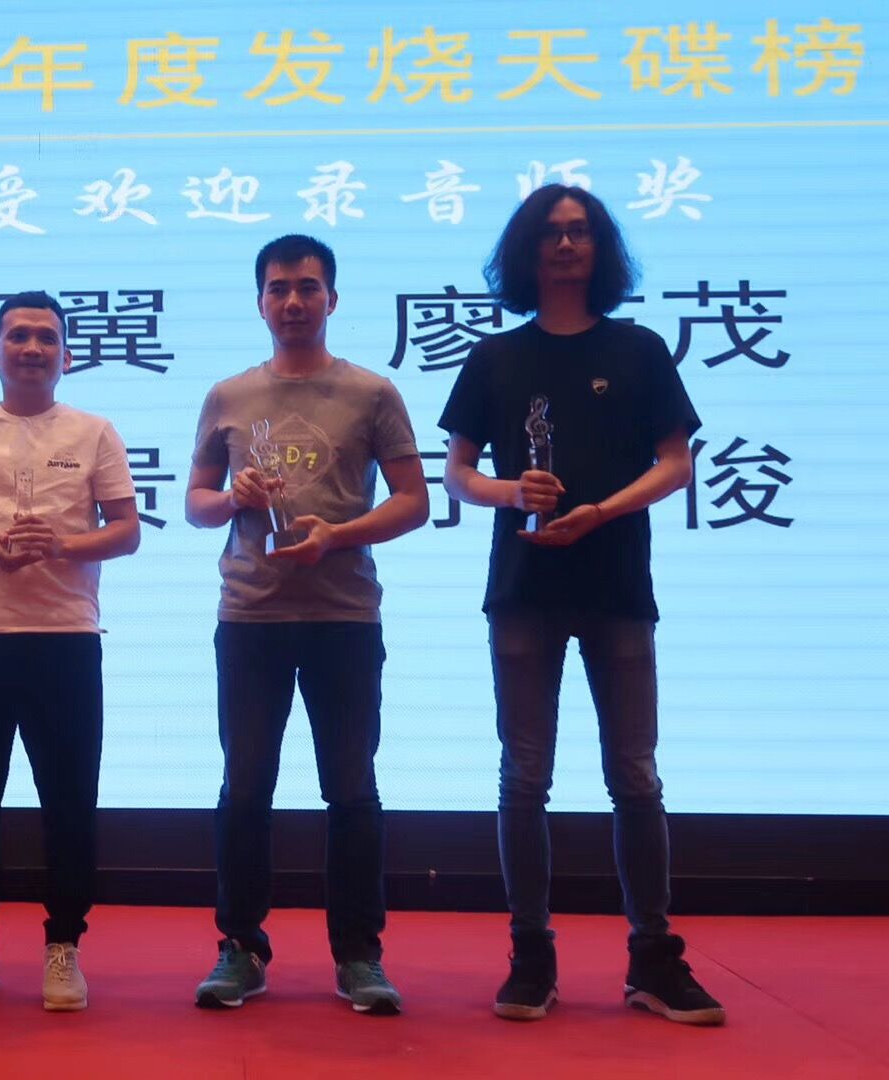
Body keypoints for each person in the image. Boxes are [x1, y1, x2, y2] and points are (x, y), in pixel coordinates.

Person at [439, 184, 725, 1026]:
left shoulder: (639, 349)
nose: (565, 245)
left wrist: (603, 510)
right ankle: (531, 955)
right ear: (525, 250)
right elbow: (456, 472)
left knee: (635, 775)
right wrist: (508, 491)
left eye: (580, 231)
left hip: (616, 587)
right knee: (524, 776)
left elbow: (677, 463)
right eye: (551, 232)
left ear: (602, 249)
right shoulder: (495, 357)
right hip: (523, 590)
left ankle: (653, 957)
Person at [185, 235, 429, 1014]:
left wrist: (338, 535)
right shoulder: (228, 395)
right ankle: (240, 947)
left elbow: (413, 501)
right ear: (260, 302)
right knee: (245, 786)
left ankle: (359, 955)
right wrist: (234, 499)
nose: (293, 301)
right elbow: (196, 503)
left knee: (351, 789)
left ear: (333, 299)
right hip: (250, 614)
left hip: (343, 615)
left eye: (308, 287)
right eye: (279, 288)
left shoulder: (372, 392)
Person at [0, 291, 139, 1013]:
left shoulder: (95, 431)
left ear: (66, 354)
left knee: (69, 801)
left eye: (46, 337)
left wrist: (63, 545)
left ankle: (63, 945)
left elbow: (127, 530)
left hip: (67, 638)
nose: (32, 348)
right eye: (17, 336)